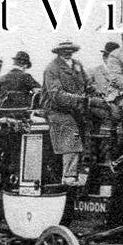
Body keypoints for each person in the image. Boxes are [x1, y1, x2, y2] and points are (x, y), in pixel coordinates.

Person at [41, 40, 93, 183]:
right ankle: (68, 177)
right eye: (64, 50)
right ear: (58, 52)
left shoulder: (77, 65)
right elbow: (56, 94)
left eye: (70, 50)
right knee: (71, 140)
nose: (68, 52)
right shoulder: (52, 68)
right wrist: (81, 100)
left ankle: (85, 173)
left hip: (76, 110)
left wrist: (96, 93)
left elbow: (88, 84)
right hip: (57, 111)